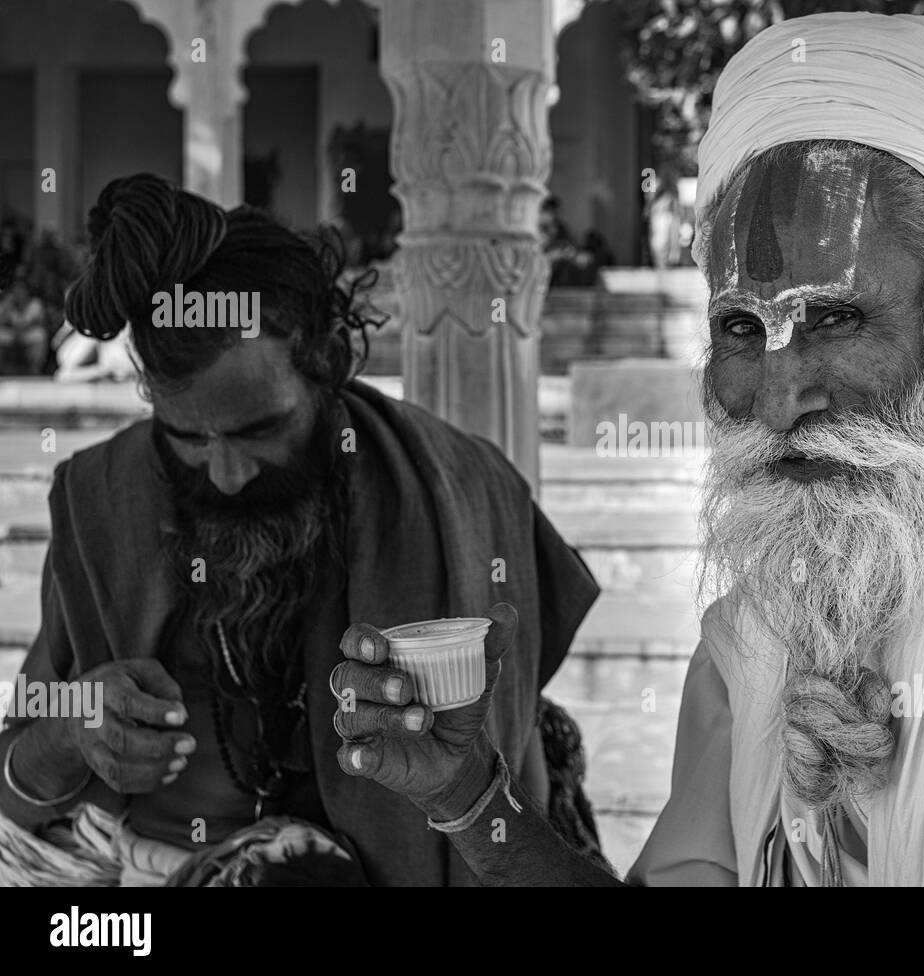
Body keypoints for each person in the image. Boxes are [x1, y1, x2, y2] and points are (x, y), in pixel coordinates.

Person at [332, 12, 924, 886]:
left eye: (833, 317)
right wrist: (468, 799)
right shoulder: (756, 640)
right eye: (741, 328)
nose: (782, 397)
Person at [0, 173, 600, 885]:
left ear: (327, 363)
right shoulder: (101, 500)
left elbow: (513, 762)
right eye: (188, 438)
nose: (225, 474)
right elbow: (16, 781)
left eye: (260, 431)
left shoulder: (466, 491)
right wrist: (74, 732)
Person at [0, 276, 49, 374]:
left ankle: (36, 368)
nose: (18, 294)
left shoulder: (35, 304)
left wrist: (20, 330)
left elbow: (37, 323)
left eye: (21, 291)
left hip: (27, 334)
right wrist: (7, 305)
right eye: (16, 291)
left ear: (26, 292)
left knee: (41, 335)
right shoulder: (7, 304)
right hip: (11, 334)